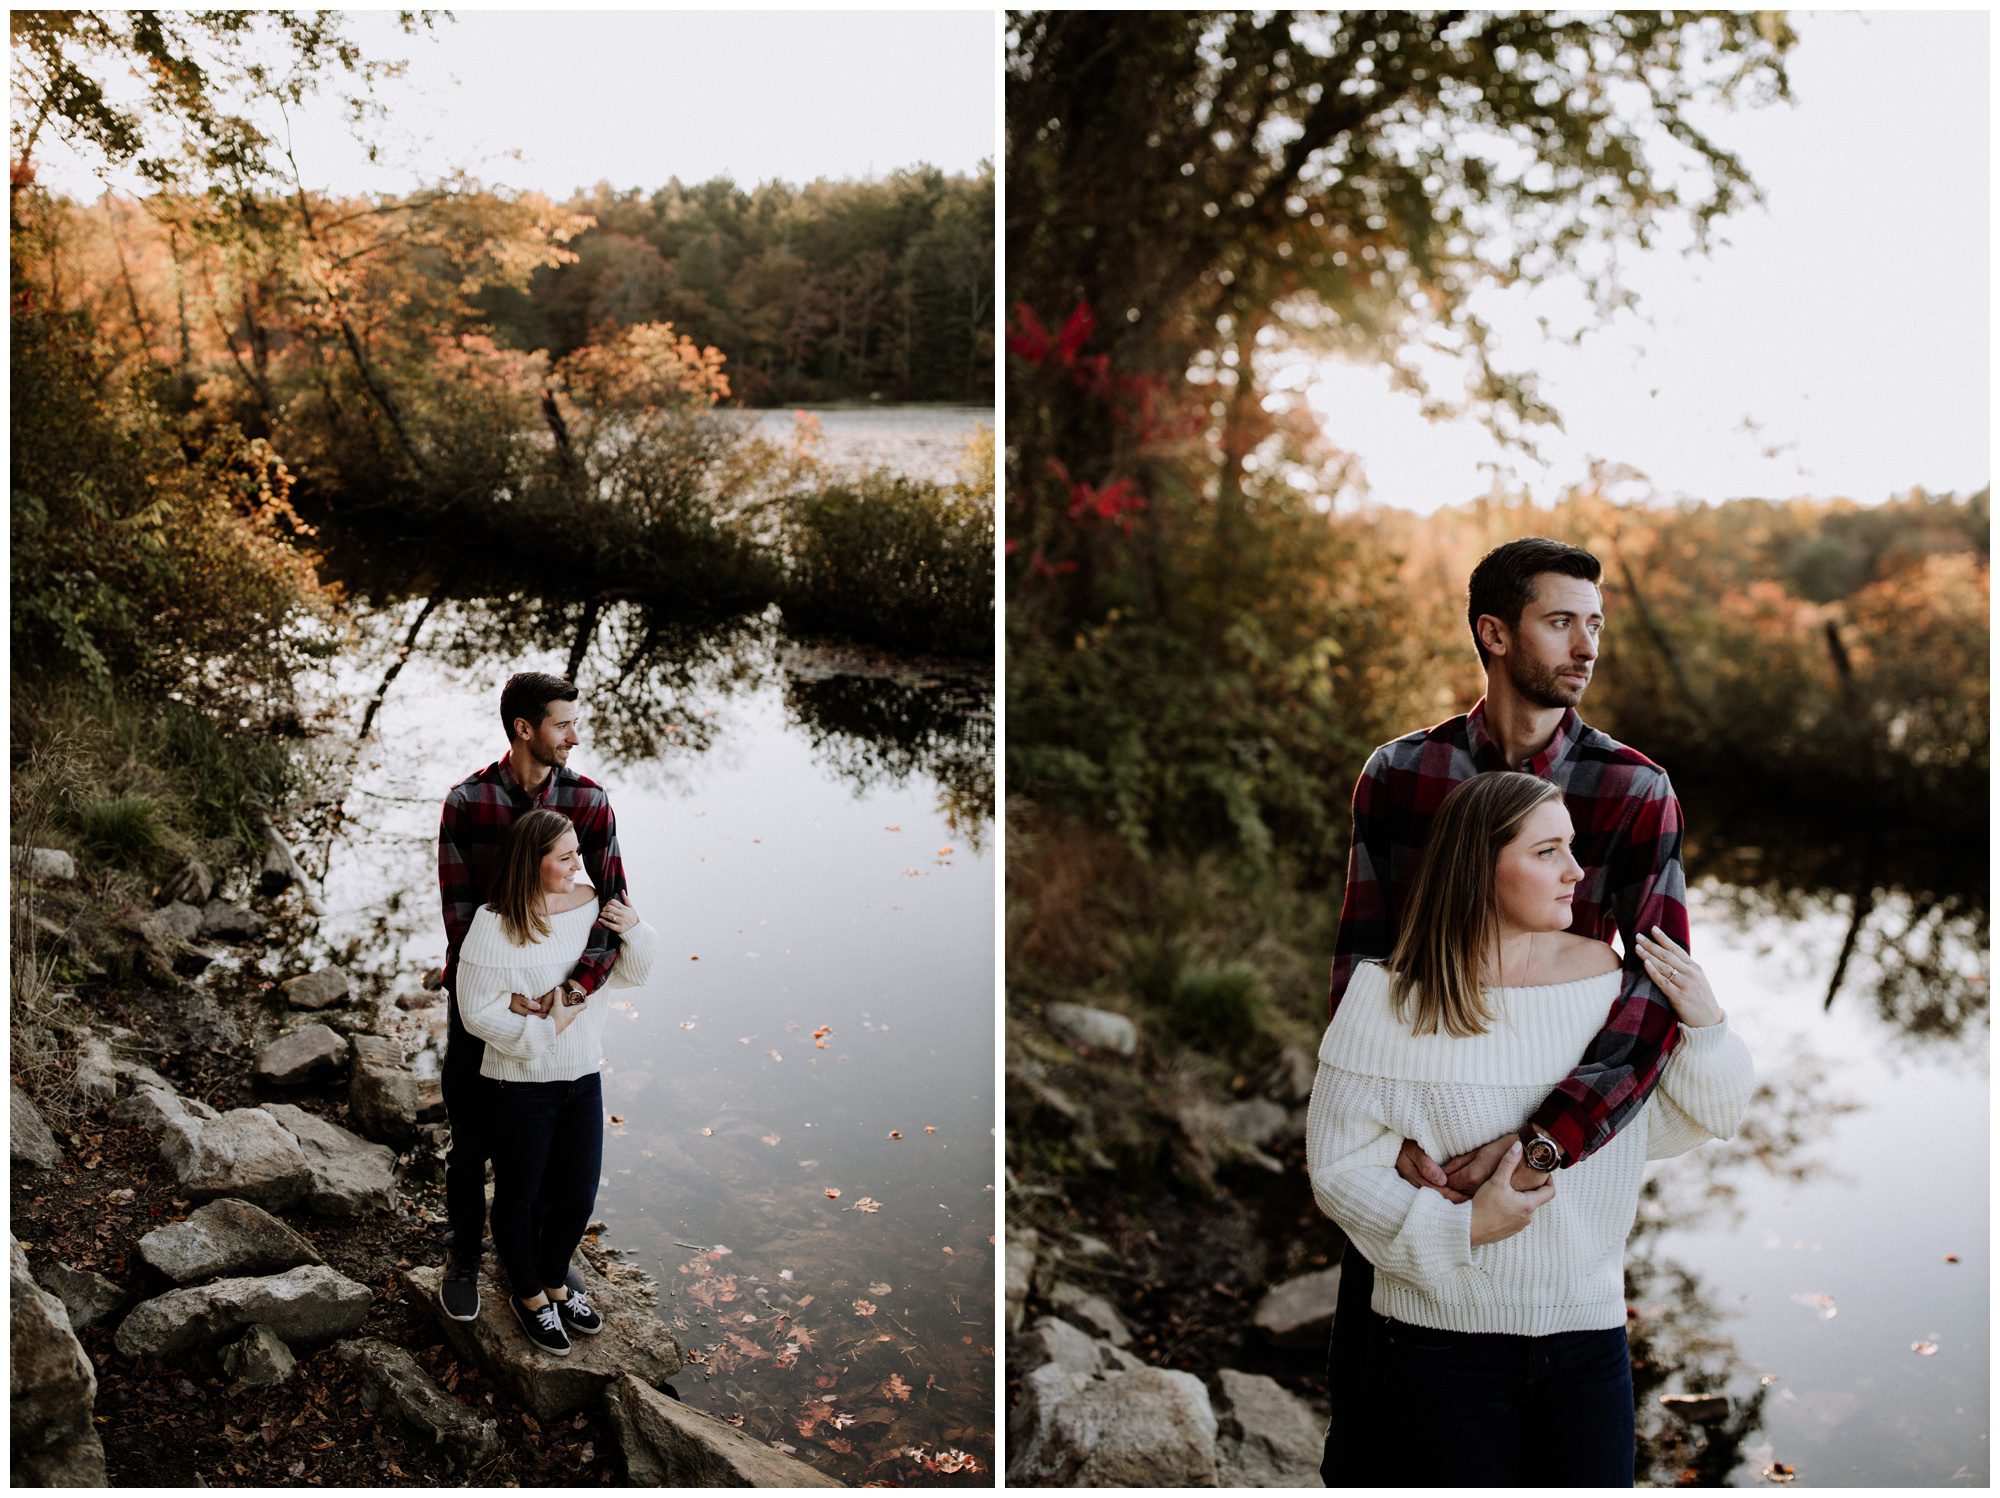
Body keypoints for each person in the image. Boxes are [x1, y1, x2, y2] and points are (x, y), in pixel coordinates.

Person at [1320, 537, 1692, 1483]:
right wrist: (1379, 1127)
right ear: (1495, 633)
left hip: (1558, 1176)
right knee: (1371, 1440)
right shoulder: (1400, 774)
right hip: (1420, 1155)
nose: (1587, 645)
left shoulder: (1632, 790)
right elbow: (1363, 961)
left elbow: (1654, 995)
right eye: (1561, 621)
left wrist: (1542, 1142)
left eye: (1594, 624)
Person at [1307, 772, 1751, 1485]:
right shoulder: (1389, 996)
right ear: (1479, 866)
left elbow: (1673, 1124)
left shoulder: (1607, 981)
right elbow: (1337, 1168)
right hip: (1434, 1340)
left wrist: (1706, 1027)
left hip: (1588, 1336)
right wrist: (1463, 1229)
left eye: (1571, 848)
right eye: (1548, 852)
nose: (1577, 871)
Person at [436, 671, 629, 1323]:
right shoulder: (467, 803)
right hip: (483, 1004)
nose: (575, 736)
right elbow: (462, 924)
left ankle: (543, 1260)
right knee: (470, 1142)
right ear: (525, 729)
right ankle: (464, 1252)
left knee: (552, 1153)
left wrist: (567, 1000)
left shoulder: (591, 803)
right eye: (563, 725)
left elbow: (615, 916)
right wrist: (513, 1009)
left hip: (564, 1014)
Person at [456, 808, 655, 1354]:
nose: (577, 865)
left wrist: (634, 928)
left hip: (582, 1078)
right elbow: (476, 1014)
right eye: (564, 857)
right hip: (519, 1085)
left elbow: (634, 972)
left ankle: (554, 1278)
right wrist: (546, 1033)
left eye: (577, 854)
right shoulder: (494, 925)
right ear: (533, 863)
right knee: (519, 1197)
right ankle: (530, 1296)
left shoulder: (593, 907)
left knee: (577, 1195)